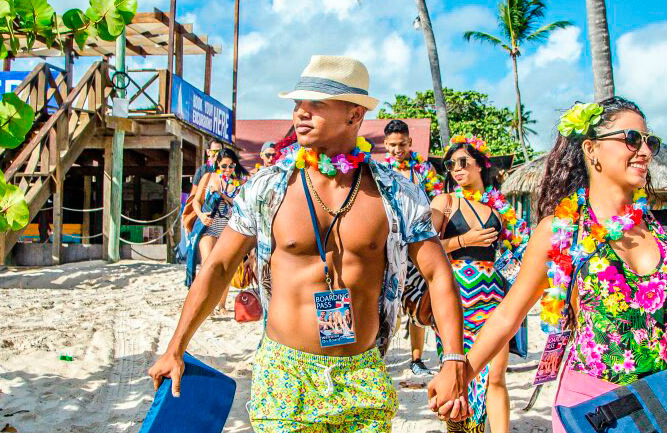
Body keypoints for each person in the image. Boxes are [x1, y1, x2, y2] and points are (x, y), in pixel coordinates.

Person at [148, 55, 471, 432]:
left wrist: (453, 358)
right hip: (285, 373)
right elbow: (218, 266)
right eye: (297, 103)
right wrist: (175, 347)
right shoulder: (268, 187)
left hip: (362, 373)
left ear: (354, 115)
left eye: (316, 103)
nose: (300, 112)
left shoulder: (397, 194)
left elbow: (438, 275)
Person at [428, 97, 667, 433]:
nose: (645, 151)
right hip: (592, 408)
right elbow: (507, 315)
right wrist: (460, 372)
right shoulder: (560, 231)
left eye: (651, 142)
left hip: (665, 399)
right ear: (591, 149)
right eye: (632, 139)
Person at [429, 134, 528, 433]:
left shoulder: (499, 211)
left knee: (496, 376)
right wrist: (464, 240)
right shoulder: (444, 202)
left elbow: (512, 252)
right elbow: (426, 249)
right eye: (450, 165)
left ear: (481, 166)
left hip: (494, 296)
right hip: (454, 298)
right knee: (457, 370)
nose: (456, 169)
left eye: (463, 162)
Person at [380, 119, 444, 376]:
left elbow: (438, 200)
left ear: (410, 142)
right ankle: (379, 355)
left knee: (419, 303)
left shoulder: (424, 170)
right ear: (385, 145)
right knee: (386, 305)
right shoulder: (379, 170)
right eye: (393, 145)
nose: (398, 150)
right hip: (388, 245)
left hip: (417, 244)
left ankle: (416, 360)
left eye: (402, 144)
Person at [183, 148, 248, 313]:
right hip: (208, 226)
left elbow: (239, 204)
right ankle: (202, 302)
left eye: (231, 166)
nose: (228, 169)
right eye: (224, 165)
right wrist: (201, 216)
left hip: (228, 228)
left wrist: (222, 194)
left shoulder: (238, 182)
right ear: (218, 163)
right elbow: (196, 201)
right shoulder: (208, 177)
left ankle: (221, 304)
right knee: (208, 264)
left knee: (226, 267)